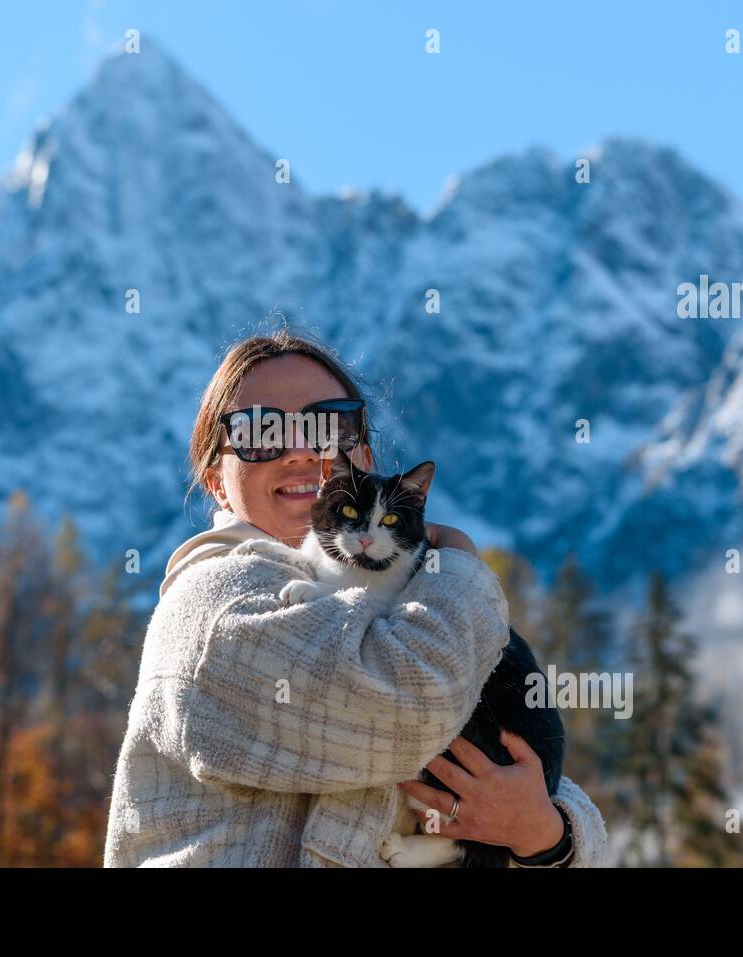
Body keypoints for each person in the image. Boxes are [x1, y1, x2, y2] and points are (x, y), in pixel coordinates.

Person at [103, 330, 609, 867]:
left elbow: (532, 775)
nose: (302, 451)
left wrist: (548, 836)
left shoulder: (404, 605)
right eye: (262, 431)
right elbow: (409, 712)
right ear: (217, 483)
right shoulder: (216, 608)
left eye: (329, 426)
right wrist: (455, 555)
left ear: (361, 457)